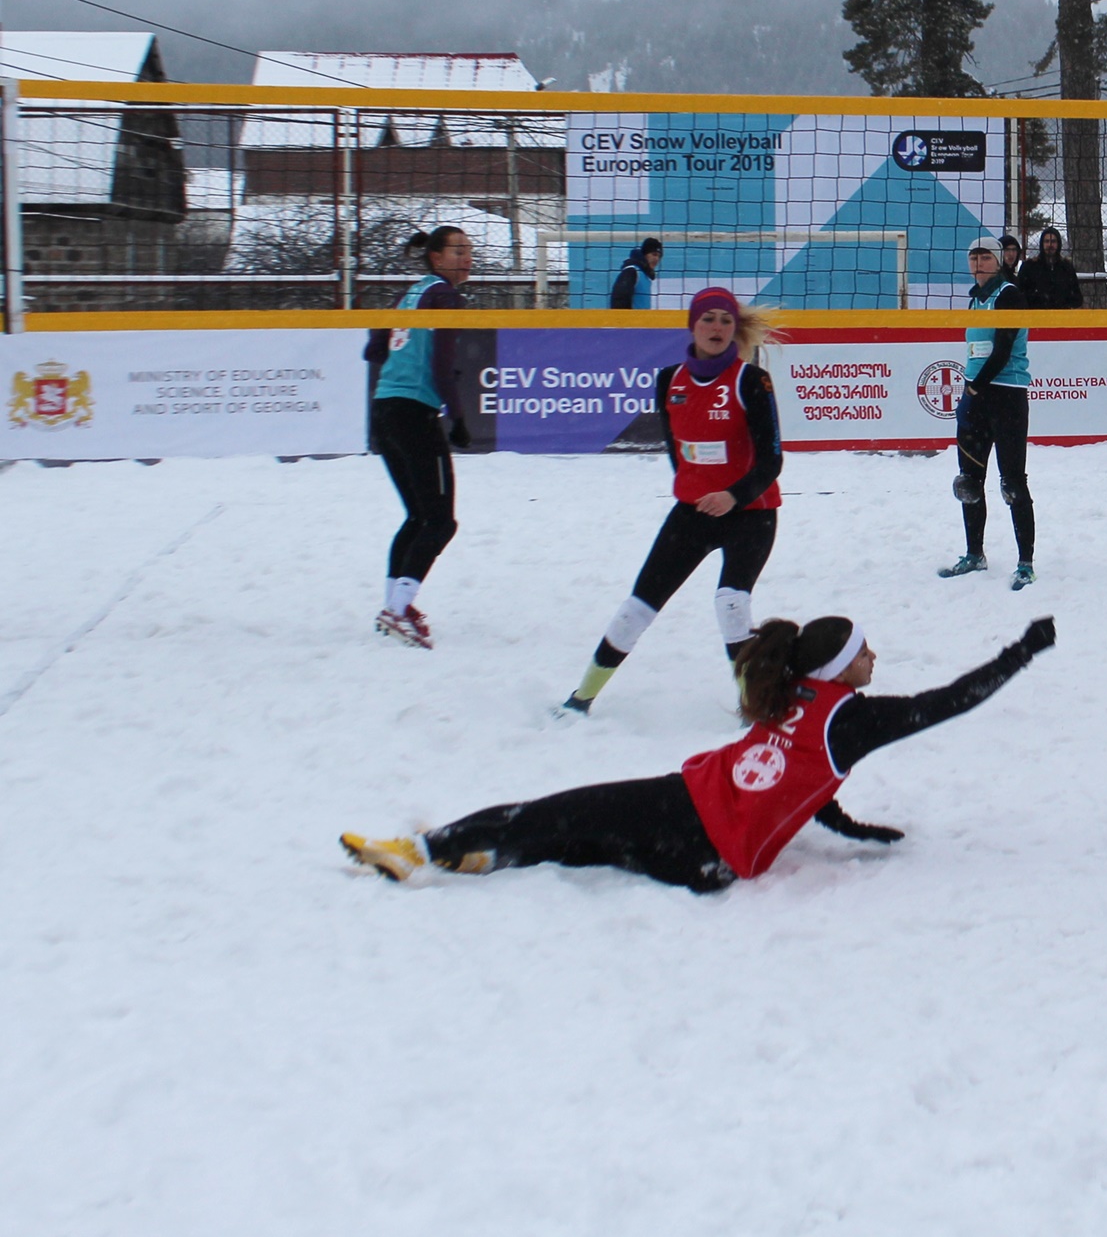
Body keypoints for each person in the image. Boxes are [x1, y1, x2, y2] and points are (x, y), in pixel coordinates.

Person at [343, 615, 1059, 890]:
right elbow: (951, 699)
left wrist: (846, 826)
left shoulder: (803, 698)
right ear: (838, 666)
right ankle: (443, 851)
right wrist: (1020, 651)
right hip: (699, 833)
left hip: (691, 816)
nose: (874, 655)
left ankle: (437, 849)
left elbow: (801, 778)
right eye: (863, 649)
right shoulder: (851, 719)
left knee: (565, 824)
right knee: (566, 828)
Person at [559, 287, 781, 716]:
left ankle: (754, 708)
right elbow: (676, 451)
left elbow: (772, 459)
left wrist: (732, 494)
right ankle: (579, 700)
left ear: (735, 329)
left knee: (730, 605)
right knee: (636, 609)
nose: (716, 327)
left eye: (725, 320)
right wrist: (696, 492)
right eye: (708, 319)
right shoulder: (668, 380)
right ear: (692, 325)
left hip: (751, 513)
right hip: (693, 514)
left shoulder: (750, 380)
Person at [362, 225, 475, 649]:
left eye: (470, 250)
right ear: (436, 258)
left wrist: (402, 351)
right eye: (458, 250)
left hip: (384, 410)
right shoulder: (445, 296)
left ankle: (394, 604)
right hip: (414, 413)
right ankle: (396, 609)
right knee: (441, 522)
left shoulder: (411, 293)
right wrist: (459, 417)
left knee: (417, 517)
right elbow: (443, 364)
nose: (467, 257)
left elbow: (373, 348)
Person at [940, 237, 1037, 589]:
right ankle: (974, 554)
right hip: (975, 396)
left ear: (998, 261)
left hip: (1006, 395)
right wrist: (971, 390)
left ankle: (1025, 562)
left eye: (985, 257)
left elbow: (1002, 349)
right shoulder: (974, 299)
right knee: (969, 482)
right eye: (974, 257)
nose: (978, 262)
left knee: (1012, 483)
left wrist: (976, 385)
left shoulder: (1009, 294)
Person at [1018, 226, 1084, 309]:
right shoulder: (1029, 267)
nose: (1050, 245)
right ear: (1042, 244)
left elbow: (1077, 298)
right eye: (1046, 241)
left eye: (1053, 241)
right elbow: (1021, 295)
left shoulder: (1066, 268)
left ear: (1058, 243)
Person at [610, 237, 663, 310]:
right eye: (654, 254)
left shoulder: (646, 277)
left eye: (659, 256)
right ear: (645, 255)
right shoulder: (632, 271)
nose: (657, 259)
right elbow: (619, 298)